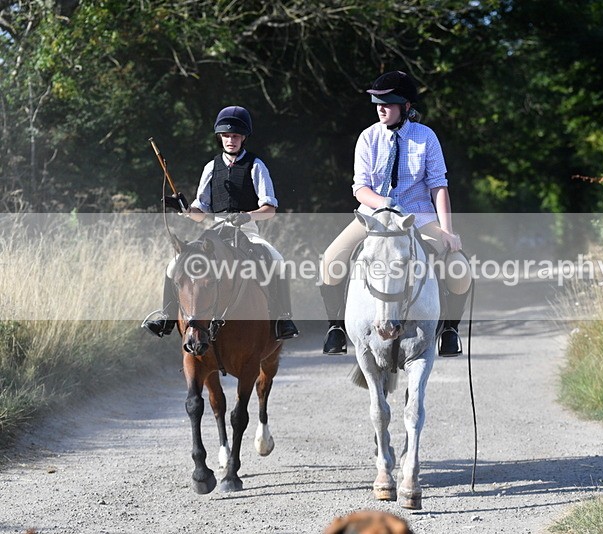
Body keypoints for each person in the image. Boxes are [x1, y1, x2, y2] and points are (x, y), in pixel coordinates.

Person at [319, 71, 472, 356]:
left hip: (418, 216)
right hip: (373, 214)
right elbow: (360, 188)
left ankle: (449, 330)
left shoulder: (426, 137)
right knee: (330, 260)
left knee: (460, 268)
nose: (381, 108)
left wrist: (447, 231)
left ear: (407, 107)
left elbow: (439, 186)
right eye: (378, 103)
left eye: (388, 103)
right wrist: (385, 204)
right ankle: (336, 328)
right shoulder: (368, 137)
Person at [142, 105, 299, 341]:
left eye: (235, 136)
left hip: (246, 230)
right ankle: (166, 317)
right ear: (220, 137)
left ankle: (282, 319)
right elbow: (200, 211)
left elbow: (270, 209)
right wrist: (185, 209)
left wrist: (247, 216)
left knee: (277, 260)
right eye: (226, 136)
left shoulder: (256, 166)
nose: (230, 140)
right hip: (215, 232)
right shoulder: (211, 167)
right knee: (174, 264)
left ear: (244, 137)